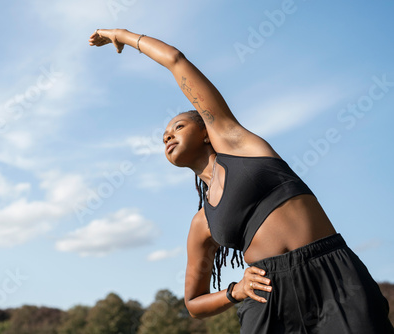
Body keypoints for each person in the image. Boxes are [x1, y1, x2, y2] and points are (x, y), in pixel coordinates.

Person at [89, 28, 394, 333]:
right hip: (267, 299)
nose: (168, 135)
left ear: (207, 133)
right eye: (164, 136)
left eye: (178, 126)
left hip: (333, 277)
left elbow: (176, 61)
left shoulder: (239, 145)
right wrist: (234, 291)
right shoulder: (201, 223)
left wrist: (122, 35)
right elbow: (193, 302)